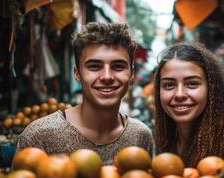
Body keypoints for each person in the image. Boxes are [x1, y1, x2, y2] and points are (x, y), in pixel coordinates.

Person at [16, 22, 155, 164]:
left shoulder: (140, 136)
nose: (107, 76)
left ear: (131, 73)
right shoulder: (39, 136)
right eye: (94, 66)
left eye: (118, 66)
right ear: (77, 74)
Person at [154, 42, 224, 169]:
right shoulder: (161, 143)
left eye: (192, 84)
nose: (179, 94)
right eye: (169, 85)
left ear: (211, 89)